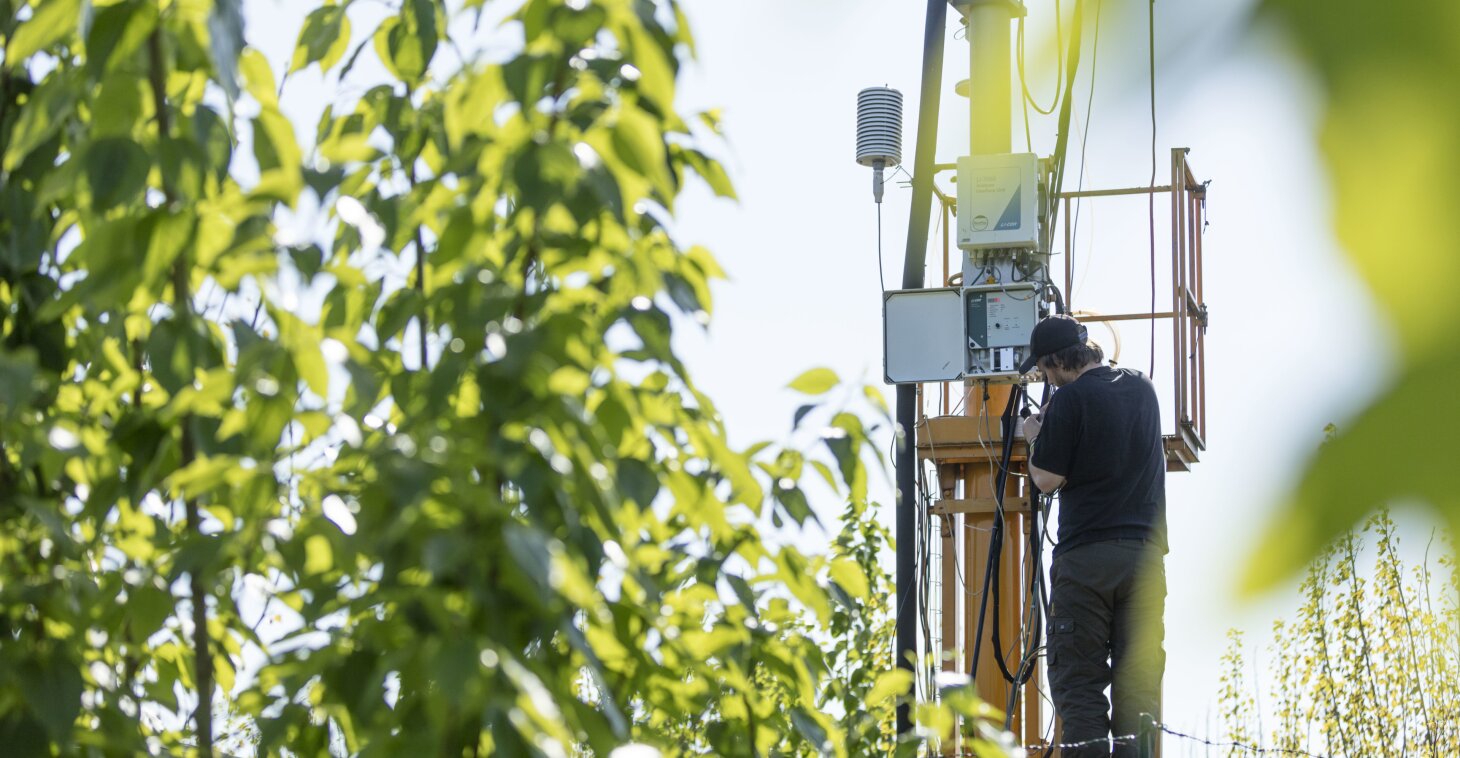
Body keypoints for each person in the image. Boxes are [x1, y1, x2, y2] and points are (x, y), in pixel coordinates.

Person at [1019, 314, 1167, 758]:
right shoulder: (1143, 388)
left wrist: (1034, 437)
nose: (1047, 379)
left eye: (1045, 371)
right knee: (1138, 686)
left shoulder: (1069, 400)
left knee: (1081, 686)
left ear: (1055, 364)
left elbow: (1045, 478)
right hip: (1144, 558)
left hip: (1086, 561)